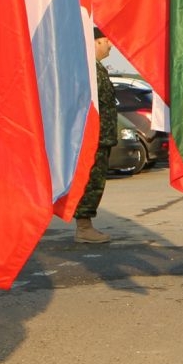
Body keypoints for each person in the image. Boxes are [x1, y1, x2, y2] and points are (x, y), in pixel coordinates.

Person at [74, 26, 117, 244]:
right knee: (91, 182)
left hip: (101, 137)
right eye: (106, 41)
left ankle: (85, 225)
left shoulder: (97, 69)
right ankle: (84, 227)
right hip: (94, 137)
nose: (110, 45)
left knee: (94, 180)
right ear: (96, 42)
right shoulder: (89, 70)